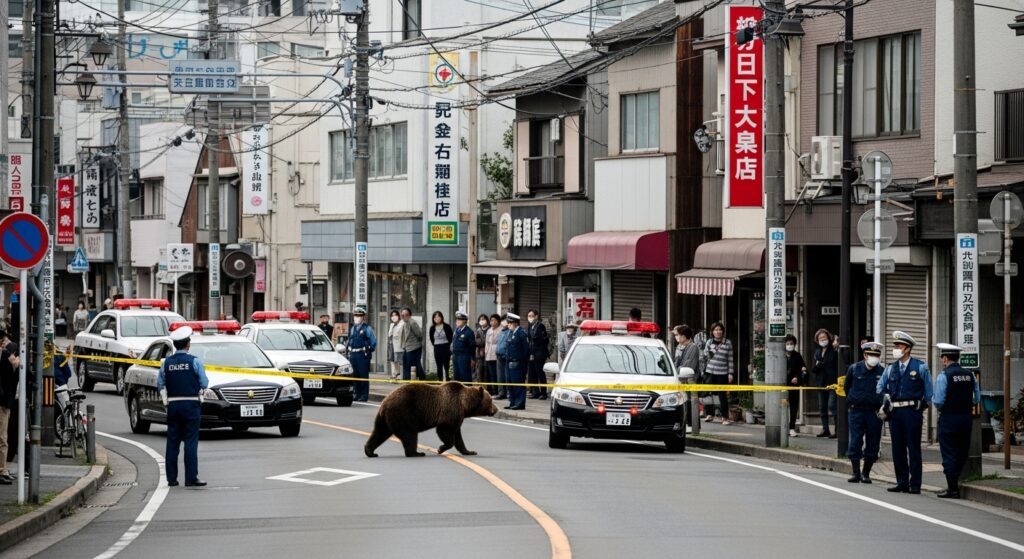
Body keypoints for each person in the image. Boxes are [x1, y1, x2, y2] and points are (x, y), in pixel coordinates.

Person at [876, 330, 932, 494]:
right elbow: (879, 387)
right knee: (897, 448)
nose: (896, 348)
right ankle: (901, 482)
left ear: (907, 349)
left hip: (912, 412)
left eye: (899, 346)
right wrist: (885, 398)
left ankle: (915, 484)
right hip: (895, 413)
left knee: (913, 448)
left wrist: (922, 405)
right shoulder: (890, 369)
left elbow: (928, 391)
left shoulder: (920, 367)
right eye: (896, 346)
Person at [157, 326, 209, 487]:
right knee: (190, 442)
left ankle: (171, 479)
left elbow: (160, 384)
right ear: (188, 345)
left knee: (172, 442)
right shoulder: (194, 361)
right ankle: (191, 478)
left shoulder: (166, 363)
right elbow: (204, 383)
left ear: (175, 345)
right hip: (191, 404)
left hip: (173, 405)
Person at [933, 343, 979, 499]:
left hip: (949, 418)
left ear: (945, 358)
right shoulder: (970, 375)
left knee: (949, 452)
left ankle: (952, 488)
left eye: (942, 358)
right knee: (961, 451)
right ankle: (955, 484)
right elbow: (976, 398)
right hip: (966, 418)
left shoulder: (944, 376)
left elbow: (938, 401)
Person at [844, 341, 885, 484]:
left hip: (874, 412)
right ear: (865, 355)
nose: (874, 358)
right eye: (871, 355)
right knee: (855, 441)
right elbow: (846, 387)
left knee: (873, 442)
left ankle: (866, 473)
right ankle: (856, 472)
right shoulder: (854, 369)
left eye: (876, 355)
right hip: (856, 411)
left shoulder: (882, 371)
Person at [702, 321, 734, 424]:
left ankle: (725, 417)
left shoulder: (727, 342)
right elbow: (705, 356)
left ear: (723, 331)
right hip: (709, 371)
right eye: (716, 330)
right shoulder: (709, 342)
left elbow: (730, 359)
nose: (718, 331)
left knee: (722, 395)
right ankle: (710, 414)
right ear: (712, 332)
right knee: (708, 394)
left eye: (720, 329)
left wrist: (730, 373)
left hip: (723, 373)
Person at [0, 330, 20, 485]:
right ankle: (2, 470)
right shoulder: (5, 357)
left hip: (7, 401)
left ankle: (4, 469)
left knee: (4, 437)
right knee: (3, 438)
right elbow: (15, 364)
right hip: (3, 401)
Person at [812, 328, 839, 438]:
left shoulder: (833, 349)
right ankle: (825, 429)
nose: (822, 339)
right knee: (822, 407)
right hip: (821, 382)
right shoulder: (817, 352)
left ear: (828, 338)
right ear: (817, 340)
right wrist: (818, 365)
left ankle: (838, 430)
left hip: (833, 382)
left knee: (832, 405)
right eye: (820, 338)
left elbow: (838, 362)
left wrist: (837, 346)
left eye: (824, 337)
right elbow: (814, 368)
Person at [673, 325, 700, 428]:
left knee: (690, 402)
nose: (676, 337)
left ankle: (692, 425)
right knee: (684, 401)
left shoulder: (693, 347)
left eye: (678, 335)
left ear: (684, 336)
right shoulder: (680, 347)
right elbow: (676, 362)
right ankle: (686, 424)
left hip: (689, 379)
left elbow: (690, 365)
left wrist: (677, 369)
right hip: (681, 379)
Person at [348, 307, 377, 402]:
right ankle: (357, 393)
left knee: (363, 375)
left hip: (362, 354)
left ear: (363, 317)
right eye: (355, 316)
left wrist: (368, 350)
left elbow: (373, 342)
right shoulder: (353, 328)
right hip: (353, 354)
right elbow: (350, 340)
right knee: (355, 375)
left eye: (359, 316)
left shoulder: (367, 328)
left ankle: (364, 395)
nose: (356, 318)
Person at [504, 313, 530, 410]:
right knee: (510, 383)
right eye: (508, 323)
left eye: (510, 323)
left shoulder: (521, 333)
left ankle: (520, 403)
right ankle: (512, 402)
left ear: (515, 323)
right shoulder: (510, 333)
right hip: (509, 362)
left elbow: (526, 350)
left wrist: (523, 364)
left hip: (518, 363)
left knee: (518, 384)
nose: (508, 325)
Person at [784, 334, 807, 438]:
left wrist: (797, 377)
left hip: (793, 385)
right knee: (783, 406)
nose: (789, 345)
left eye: (791, 343)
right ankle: (783, 427)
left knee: (793, 407)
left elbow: (802, 368)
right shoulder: (780, 355)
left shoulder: (797, 356)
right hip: (782, 386)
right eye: (787, 343)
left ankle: (791, 428)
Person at [526, 310, 550, 400]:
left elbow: (543, 340)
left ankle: (543, 393)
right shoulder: (530, 326)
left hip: (539, 353)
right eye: (528, 316)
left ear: (536, 316)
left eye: (532, 315)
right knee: (532, 373)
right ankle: (535, 392)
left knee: (540, 373)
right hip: (531, 353)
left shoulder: (540, 326)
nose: (530, 317)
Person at [400, 308, 425, 381]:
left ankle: (422, 379)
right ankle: (406, 380)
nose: (404, 317)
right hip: (407, 347)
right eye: (402, 315)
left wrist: (416, 343)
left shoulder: (412, 322)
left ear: (409, 315)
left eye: (406, 315)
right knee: (406, 363)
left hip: (414, 347)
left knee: (414, 365)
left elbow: (420, 334)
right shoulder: (405, 323)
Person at [428, 311, 453, 382]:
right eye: (435, 317)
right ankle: (440, 381)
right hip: (437, 348)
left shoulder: (447, 326)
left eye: (438, 316)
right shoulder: (432, 328)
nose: (437, 318)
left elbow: (450, 338)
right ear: (433, 319)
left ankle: (447, 380)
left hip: (446, 347)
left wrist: (447, 346)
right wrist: (436, 345)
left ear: (441, 317)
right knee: (439, 366)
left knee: (446, 365)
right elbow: (432, 339)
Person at [450, 311, 475, 383]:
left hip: (464, 357)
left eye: (459, 319)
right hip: (456, 356)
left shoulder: (469, 332)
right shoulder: (457, 330)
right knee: (456, 378)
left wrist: (472, 358)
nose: (457, 321)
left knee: (465, 377)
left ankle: (468, 393)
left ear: (464, 321)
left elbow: (472, 347)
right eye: (457, 319)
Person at [495, 316, 511, 400]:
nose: (503, 322)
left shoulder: (510, 331)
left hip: (506, 357)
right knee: (500, 376)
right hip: (499, 356)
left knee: (507, 376)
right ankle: (501, 393)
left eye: (505, 321)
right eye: (503, 320)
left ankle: (509, 393)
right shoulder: (502, 331)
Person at [53, 344, 74, 412]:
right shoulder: (60, 355)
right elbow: (68, 373)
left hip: (45, 386)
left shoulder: (39, 356)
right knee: (67, 408)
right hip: (60, 385)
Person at [485, 314, 501, 396]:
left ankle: (498, 390)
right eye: (491, 320)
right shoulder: (489, 330)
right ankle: (492, 390)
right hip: (489, 355)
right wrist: (486, 352)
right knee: (490, 374)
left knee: (496, 374)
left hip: (496, 354)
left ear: (498, 321)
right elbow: (487, 343)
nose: (492, 322)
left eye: (494, 320)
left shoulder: (501, 329)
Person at [387, 310, 404, 381]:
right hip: (392, 344)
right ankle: (394, 374)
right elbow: (389, 334)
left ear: (398, 316)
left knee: (399, 360)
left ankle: (400, 375)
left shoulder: (402, 323)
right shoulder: (392, 325)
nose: (394, 317)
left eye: (395, 315)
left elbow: (399, 334)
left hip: (399, 345)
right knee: (392, 360)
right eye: (392, 315)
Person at [474, 314, 489, 384]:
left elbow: (489, 341)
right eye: (480, 319)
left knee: (487, 372)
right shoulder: (478, 330)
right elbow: (476, 342)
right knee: (479, 372)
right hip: (479, 354)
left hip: (488, 354)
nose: (482, 321)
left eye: (483, 319)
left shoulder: (490, 329)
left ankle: (488, 388)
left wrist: (482, 341)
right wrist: (484, 341)